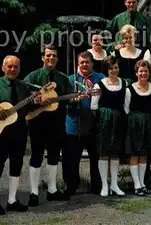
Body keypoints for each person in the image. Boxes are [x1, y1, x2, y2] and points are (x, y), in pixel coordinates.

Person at [0, 56, 36, 215]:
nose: (12, 69)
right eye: (9, 66)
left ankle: (12, 200)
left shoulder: (23, 86)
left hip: (19, 130)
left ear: (19, 69)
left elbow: (30, 106)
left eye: (15, 67)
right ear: (3, 68)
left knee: (16, 164)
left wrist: (37, 99)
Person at [24, 45, 72, 206]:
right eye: (48, 55)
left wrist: (75, 99)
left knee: (54, 155)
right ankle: (34, 192)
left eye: (54, 56)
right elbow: (23, 96)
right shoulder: (33, 76)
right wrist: (36, 99)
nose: (51, 58)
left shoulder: (63, 78)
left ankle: (52, 189)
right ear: (42, 57)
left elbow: (69, 97)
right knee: (36, 155)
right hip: (37, 121)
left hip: (57, 122)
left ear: (57, 59)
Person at [62, 51, 103, 198]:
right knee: (71, 159)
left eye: (87, 62)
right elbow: (63, 102)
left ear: (92, 63)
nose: (84, 65)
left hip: (94, 125)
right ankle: (71, 186)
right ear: (78, 64)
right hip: (74, 125)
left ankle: (98, 185)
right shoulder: (70, 79)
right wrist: (74, 100)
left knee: (96, 158)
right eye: (81, 62)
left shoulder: (100, 78)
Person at [90, 56, 128, 197]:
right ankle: (104, 185)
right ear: (106, 69)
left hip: (118, 121)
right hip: (103, 122)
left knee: (115, 153)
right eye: (111, 68)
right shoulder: (99, 85)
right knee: (104, 153)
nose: (114, 70)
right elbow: (93, 107)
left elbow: (126, 105)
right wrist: (103, 118)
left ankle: (114, 185)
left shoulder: (124, 83)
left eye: (116, 67)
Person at [124, 60, 151, 196]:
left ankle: (142, 183)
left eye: (146, 71)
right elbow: (126, 108)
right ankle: (137, 184)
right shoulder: (129, 89)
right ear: (136, 73)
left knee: (143, 154)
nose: (143, 73)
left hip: (148, 122)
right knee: (134, 154)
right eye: (141, 71)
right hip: (134, 123)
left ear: (149, 73)